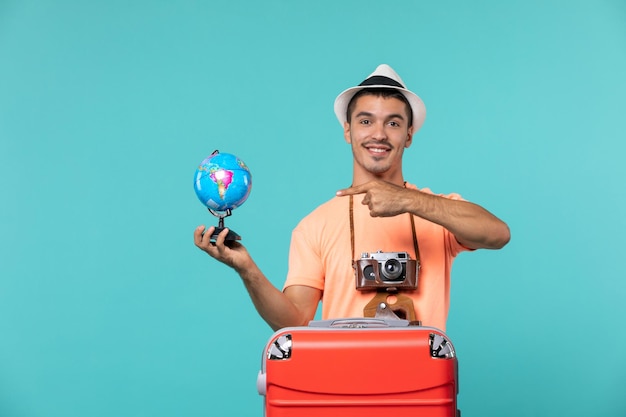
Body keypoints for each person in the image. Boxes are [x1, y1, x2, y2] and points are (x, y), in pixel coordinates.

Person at [194, 64, 510, 331]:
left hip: (422, 392)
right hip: (344, 389)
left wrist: (408, 200)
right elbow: (294, 320)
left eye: (394, 123)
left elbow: (498, 234)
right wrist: (246, 268)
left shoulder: (436, 210)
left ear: (409, 136)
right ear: (348, 131)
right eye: (365, 121)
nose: (379, 134)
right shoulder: (315, 226)